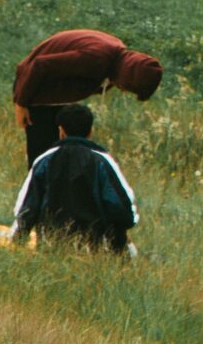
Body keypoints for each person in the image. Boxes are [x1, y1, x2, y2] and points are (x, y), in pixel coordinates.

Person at [11, 29, 163, 174]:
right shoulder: (96, 59)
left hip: (56, 98)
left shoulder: (115, 54)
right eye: (129, 88)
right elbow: (40, 65)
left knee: (65, 159)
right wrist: (21, 103)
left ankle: (62, 198)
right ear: (127, 76)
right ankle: (38, 199)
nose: (124, 91)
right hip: (38, 97)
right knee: (43, 160)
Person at [11, 104, 138, 253]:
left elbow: (27, 206)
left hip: (51, 246)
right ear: (91, 132)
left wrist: (18, 238)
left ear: (61, 131)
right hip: (94, 247)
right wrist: (119, 240)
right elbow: (121, 207)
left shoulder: (44, 160)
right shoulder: (102, 161)